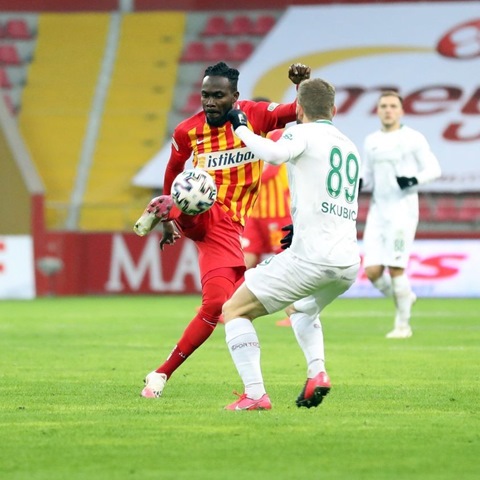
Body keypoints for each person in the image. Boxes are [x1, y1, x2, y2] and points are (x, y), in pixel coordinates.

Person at [135, 61, 311, 399]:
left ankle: (160, 374)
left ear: (235, 96)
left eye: (218, 96)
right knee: (197, 193)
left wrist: (301, 84)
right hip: (207, 218)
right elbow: (173, 169)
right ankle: (173, 206)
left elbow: (299, 111)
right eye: (205, 95)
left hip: (233, 224)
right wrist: (170, 220)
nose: (210, 102)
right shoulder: (187, 130)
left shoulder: (255, 116)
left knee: (217, 306)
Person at [222, 77, 361, 410]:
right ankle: (317, 372)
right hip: (347, 262)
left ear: (297, 109)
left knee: (234, 310)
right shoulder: (349, 145)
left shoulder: (301, 133)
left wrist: (241, 128)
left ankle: (255, 394)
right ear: (334, 110)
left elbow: (273, 154)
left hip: (312, 258)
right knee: (299, 308)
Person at [361, 90, 442, 339]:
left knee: (396, 268)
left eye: (393, 106)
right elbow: (367, 174)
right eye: (384, 106)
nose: (388, 110)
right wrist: (356, 184)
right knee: (372, 272)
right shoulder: (371, 141)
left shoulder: (413, 138)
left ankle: (403, 326)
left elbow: (434, 168)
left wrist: (414, 179)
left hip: (403, 212)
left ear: (402, 111)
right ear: (378, 110)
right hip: (378, 212)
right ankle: (406, 297)